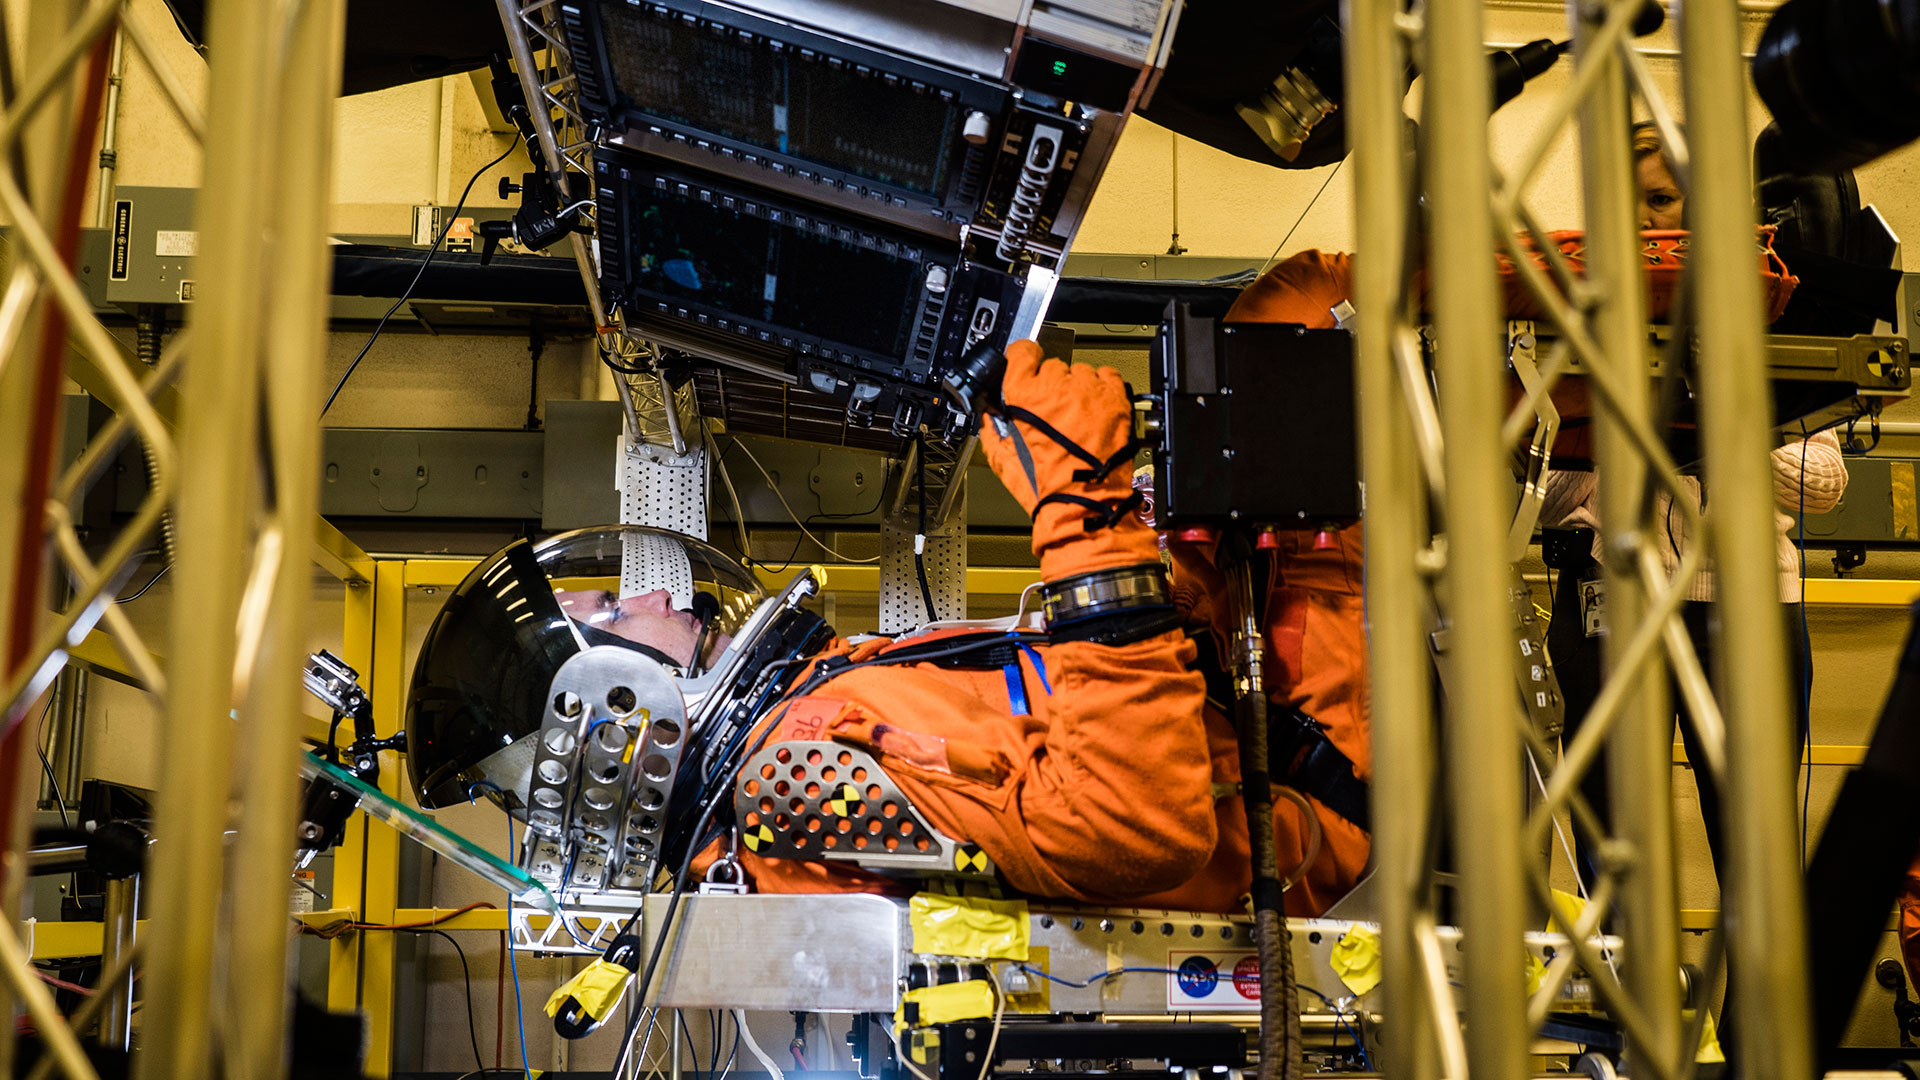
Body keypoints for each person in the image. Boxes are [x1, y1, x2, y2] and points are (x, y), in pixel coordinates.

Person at [1541, 120, 1848, 884]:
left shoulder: (1770, 311)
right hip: (1607, 605)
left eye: (1659, 199)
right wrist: (1608, 440)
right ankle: (1619, 971)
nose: (1640, 218)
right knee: (1614, 860)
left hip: (1749, 609)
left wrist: (1722, 418)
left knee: (1759, 862)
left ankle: (1754, 975)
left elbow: (1824, 484)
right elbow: (1535, 499)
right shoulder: (1565, 314)